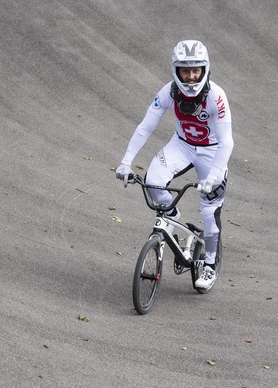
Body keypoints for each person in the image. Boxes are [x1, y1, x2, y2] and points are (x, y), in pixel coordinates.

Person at [115, 40, 234, 291]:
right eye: (185, 71)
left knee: (209, 210)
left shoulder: (216, 97)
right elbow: (145, 127)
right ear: (176, 70)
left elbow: (226, 142)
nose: (190, 78)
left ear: (205, 69)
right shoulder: (168, 92)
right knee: (152, 181)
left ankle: (210, 264)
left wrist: (214, 175)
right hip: (181, 145)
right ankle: (172, 217)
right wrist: (126, 162)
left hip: (212, 151)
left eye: (196, 71)